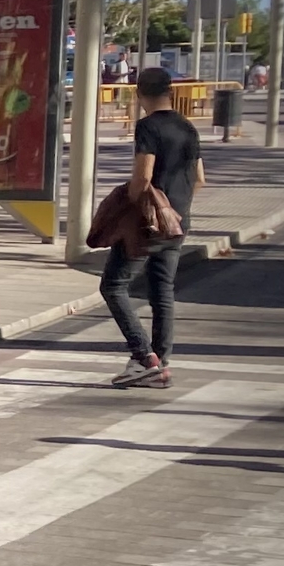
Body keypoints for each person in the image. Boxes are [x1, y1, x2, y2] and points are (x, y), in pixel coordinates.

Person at [101, 65, 204, 389]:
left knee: (113, 286)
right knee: (163, 291)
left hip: (148, 224)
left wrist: (132, 206)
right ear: (170, 90)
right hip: (178, 222)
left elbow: (143, 177)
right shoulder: (188, 127)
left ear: (138, 92)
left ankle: (144, 356)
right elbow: (200, 178)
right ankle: (161, 361)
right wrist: (174, 209)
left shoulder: (147, 126)